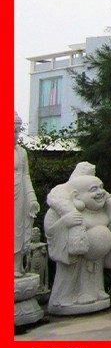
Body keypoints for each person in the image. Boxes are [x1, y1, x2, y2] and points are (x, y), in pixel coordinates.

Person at [44, 173, 111, 315]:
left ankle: (94, 291)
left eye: (101, 187)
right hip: (74, 259)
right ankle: (67, 297)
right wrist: (65, 222)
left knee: (94, 271)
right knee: (74, 272)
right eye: (94, 189)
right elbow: (50, 232)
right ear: (76, 196)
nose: (101, 192)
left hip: (96, 258)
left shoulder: (102, 211)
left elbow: (110, 227)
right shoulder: (60, 212)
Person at [14, 112, 39, 277]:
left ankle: (16, 265)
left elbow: (25, 175)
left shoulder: (22, 152)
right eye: (12, 131)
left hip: (19, 194)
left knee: (17, 229)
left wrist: (31, 197)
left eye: (17, 131)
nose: (15, 135)